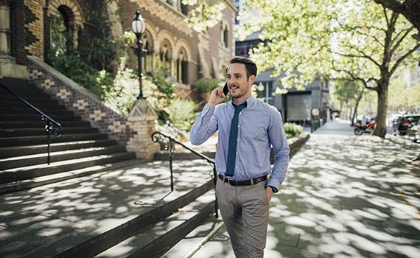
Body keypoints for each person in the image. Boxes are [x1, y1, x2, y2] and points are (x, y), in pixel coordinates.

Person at [190, 56, 290, 257]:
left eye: (237, 76)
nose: (231, 81)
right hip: (225, 191)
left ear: (251, 79)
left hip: (256, 192)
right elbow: (196, 138)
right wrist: (210, 104)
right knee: (239, 250)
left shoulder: (269, 113)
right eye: (228, 77)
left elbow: (282, 152)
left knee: (253, 253)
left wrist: (272, 187)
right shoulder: (219, 112)